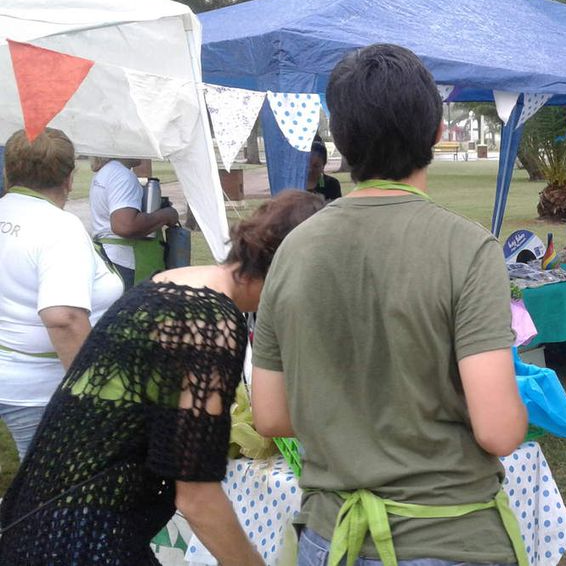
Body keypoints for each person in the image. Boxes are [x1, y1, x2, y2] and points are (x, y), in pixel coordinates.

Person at [250, 43, 529, 566]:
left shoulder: (294, 249)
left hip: (329, 537)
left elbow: (271, 414)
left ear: (340, 136)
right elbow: (499, 429)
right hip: (447, 538)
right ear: (436, 130)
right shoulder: (466, 248)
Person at [0, 190, 324, 566]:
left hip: (45, 520)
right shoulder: (209, 321)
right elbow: (197, 497)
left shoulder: (178, 281)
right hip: (80, 538)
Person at [0, 128, 123, 460]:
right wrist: (95, 398)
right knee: (59, 500)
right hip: (44, 390)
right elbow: (64, 318)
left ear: (9, 172)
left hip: (16, 378)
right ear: (69, 178)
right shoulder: (59, 227)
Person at [90, 157, 180, 288]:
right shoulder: (122, 175)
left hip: (110, 258)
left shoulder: (107, 171)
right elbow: (125, 226)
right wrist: (166, 215)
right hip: (126, 263)